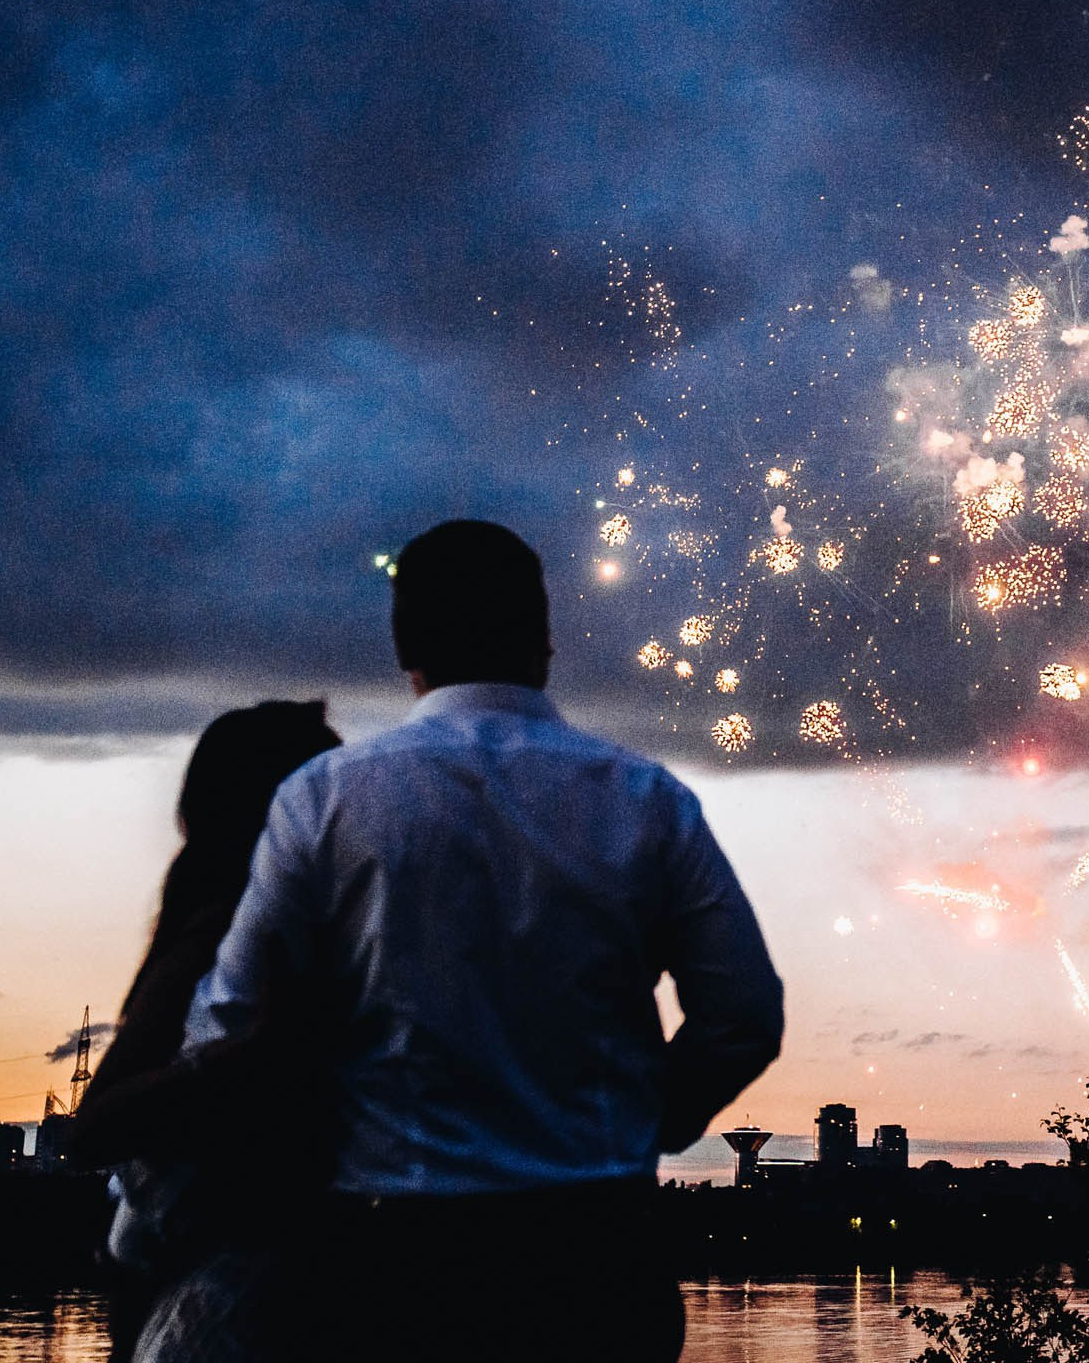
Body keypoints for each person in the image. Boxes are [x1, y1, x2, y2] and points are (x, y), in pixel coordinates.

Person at [183, 519, 785, 1360]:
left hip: (390, 1259)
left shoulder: (324, 799)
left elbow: (222, 1030)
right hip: (596, 1257)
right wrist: (647, 1122)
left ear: (403, 643)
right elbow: (745, 1015)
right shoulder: (647, 800)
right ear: (544, 638)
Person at [66, 700, 344, 1362]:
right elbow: (93, 1128)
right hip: (192, 1285)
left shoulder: (278, 929)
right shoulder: (222, 933)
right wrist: (255, 1051)